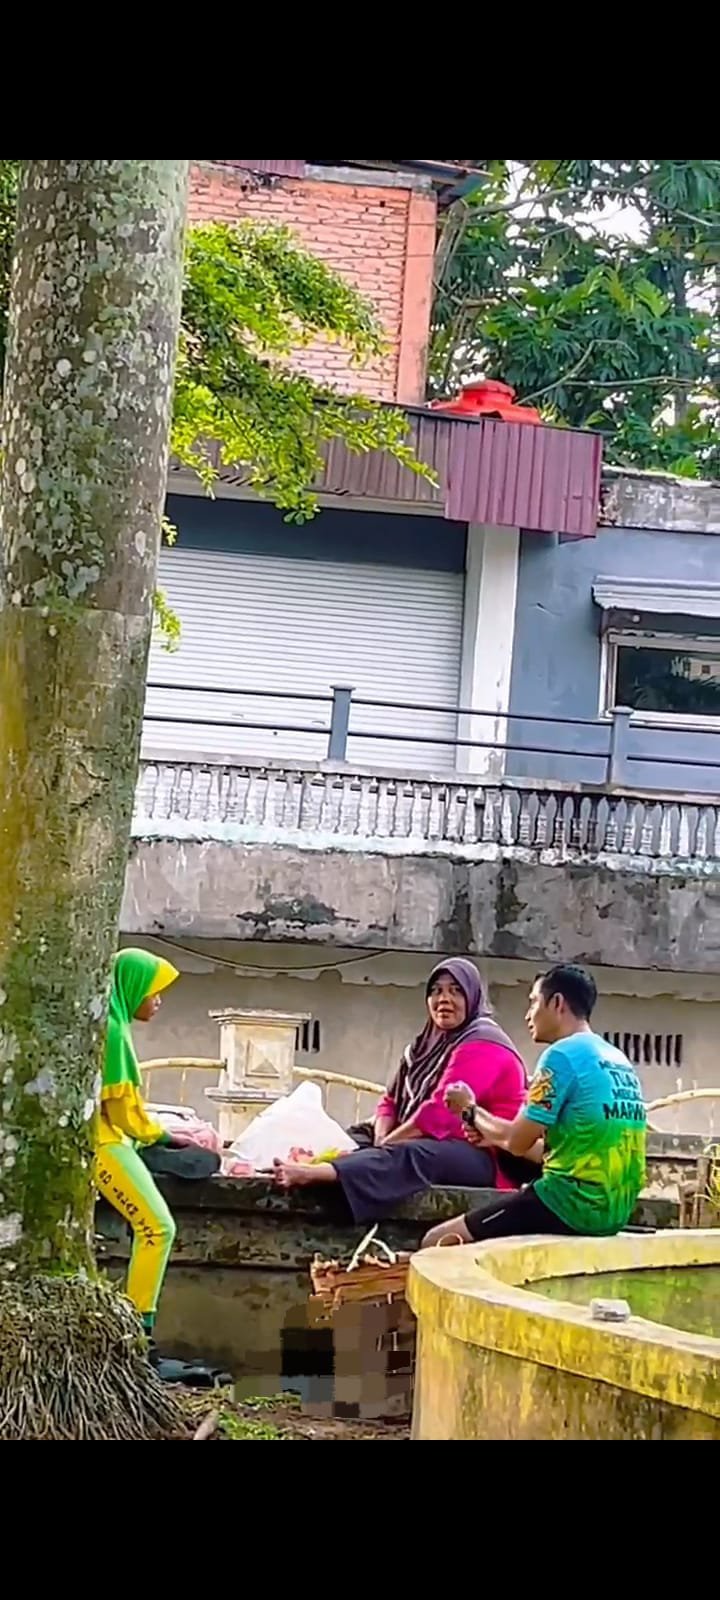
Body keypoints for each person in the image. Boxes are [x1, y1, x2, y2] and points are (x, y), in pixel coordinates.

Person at [273, 957, 530, 1224]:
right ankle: (298, 1161)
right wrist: (381, 1139)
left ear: (472, 997)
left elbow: (440, 1114)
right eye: (436, 991)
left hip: (486, 1155)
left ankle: (311, 1174)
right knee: (356, 1136)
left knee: (415, 1154)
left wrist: (388, 1145)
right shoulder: (424, 1045)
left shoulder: (484, 1042)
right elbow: (390, 1101)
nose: (444, 999)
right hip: (432, 1138)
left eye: (456, 991)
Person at [422, 963, 647, 1248]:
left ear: (557, 1003)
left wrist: (469, 1110)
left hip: (568, 1204)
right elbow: (560, 1151)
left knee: (436, 1241)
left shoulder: (561, 1056)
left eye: (533, 1002)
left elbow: (516, 1142)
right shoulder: (617, 1060)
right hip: (614, 1212)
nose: (528, 1014)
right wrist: (491, 1135)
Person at [96, 947, 229, 1386]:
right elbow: (124, 1115)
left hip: (119, 1139)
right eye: (154, 991)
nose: (159, 1000)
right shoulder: (112, 1032)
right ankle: (138, 1340)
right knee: (157, 1228)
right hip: (104, 1143)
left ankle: (137, 1338)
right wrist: (165, 1136)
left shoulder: (114, 1025)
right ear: (132, 987)